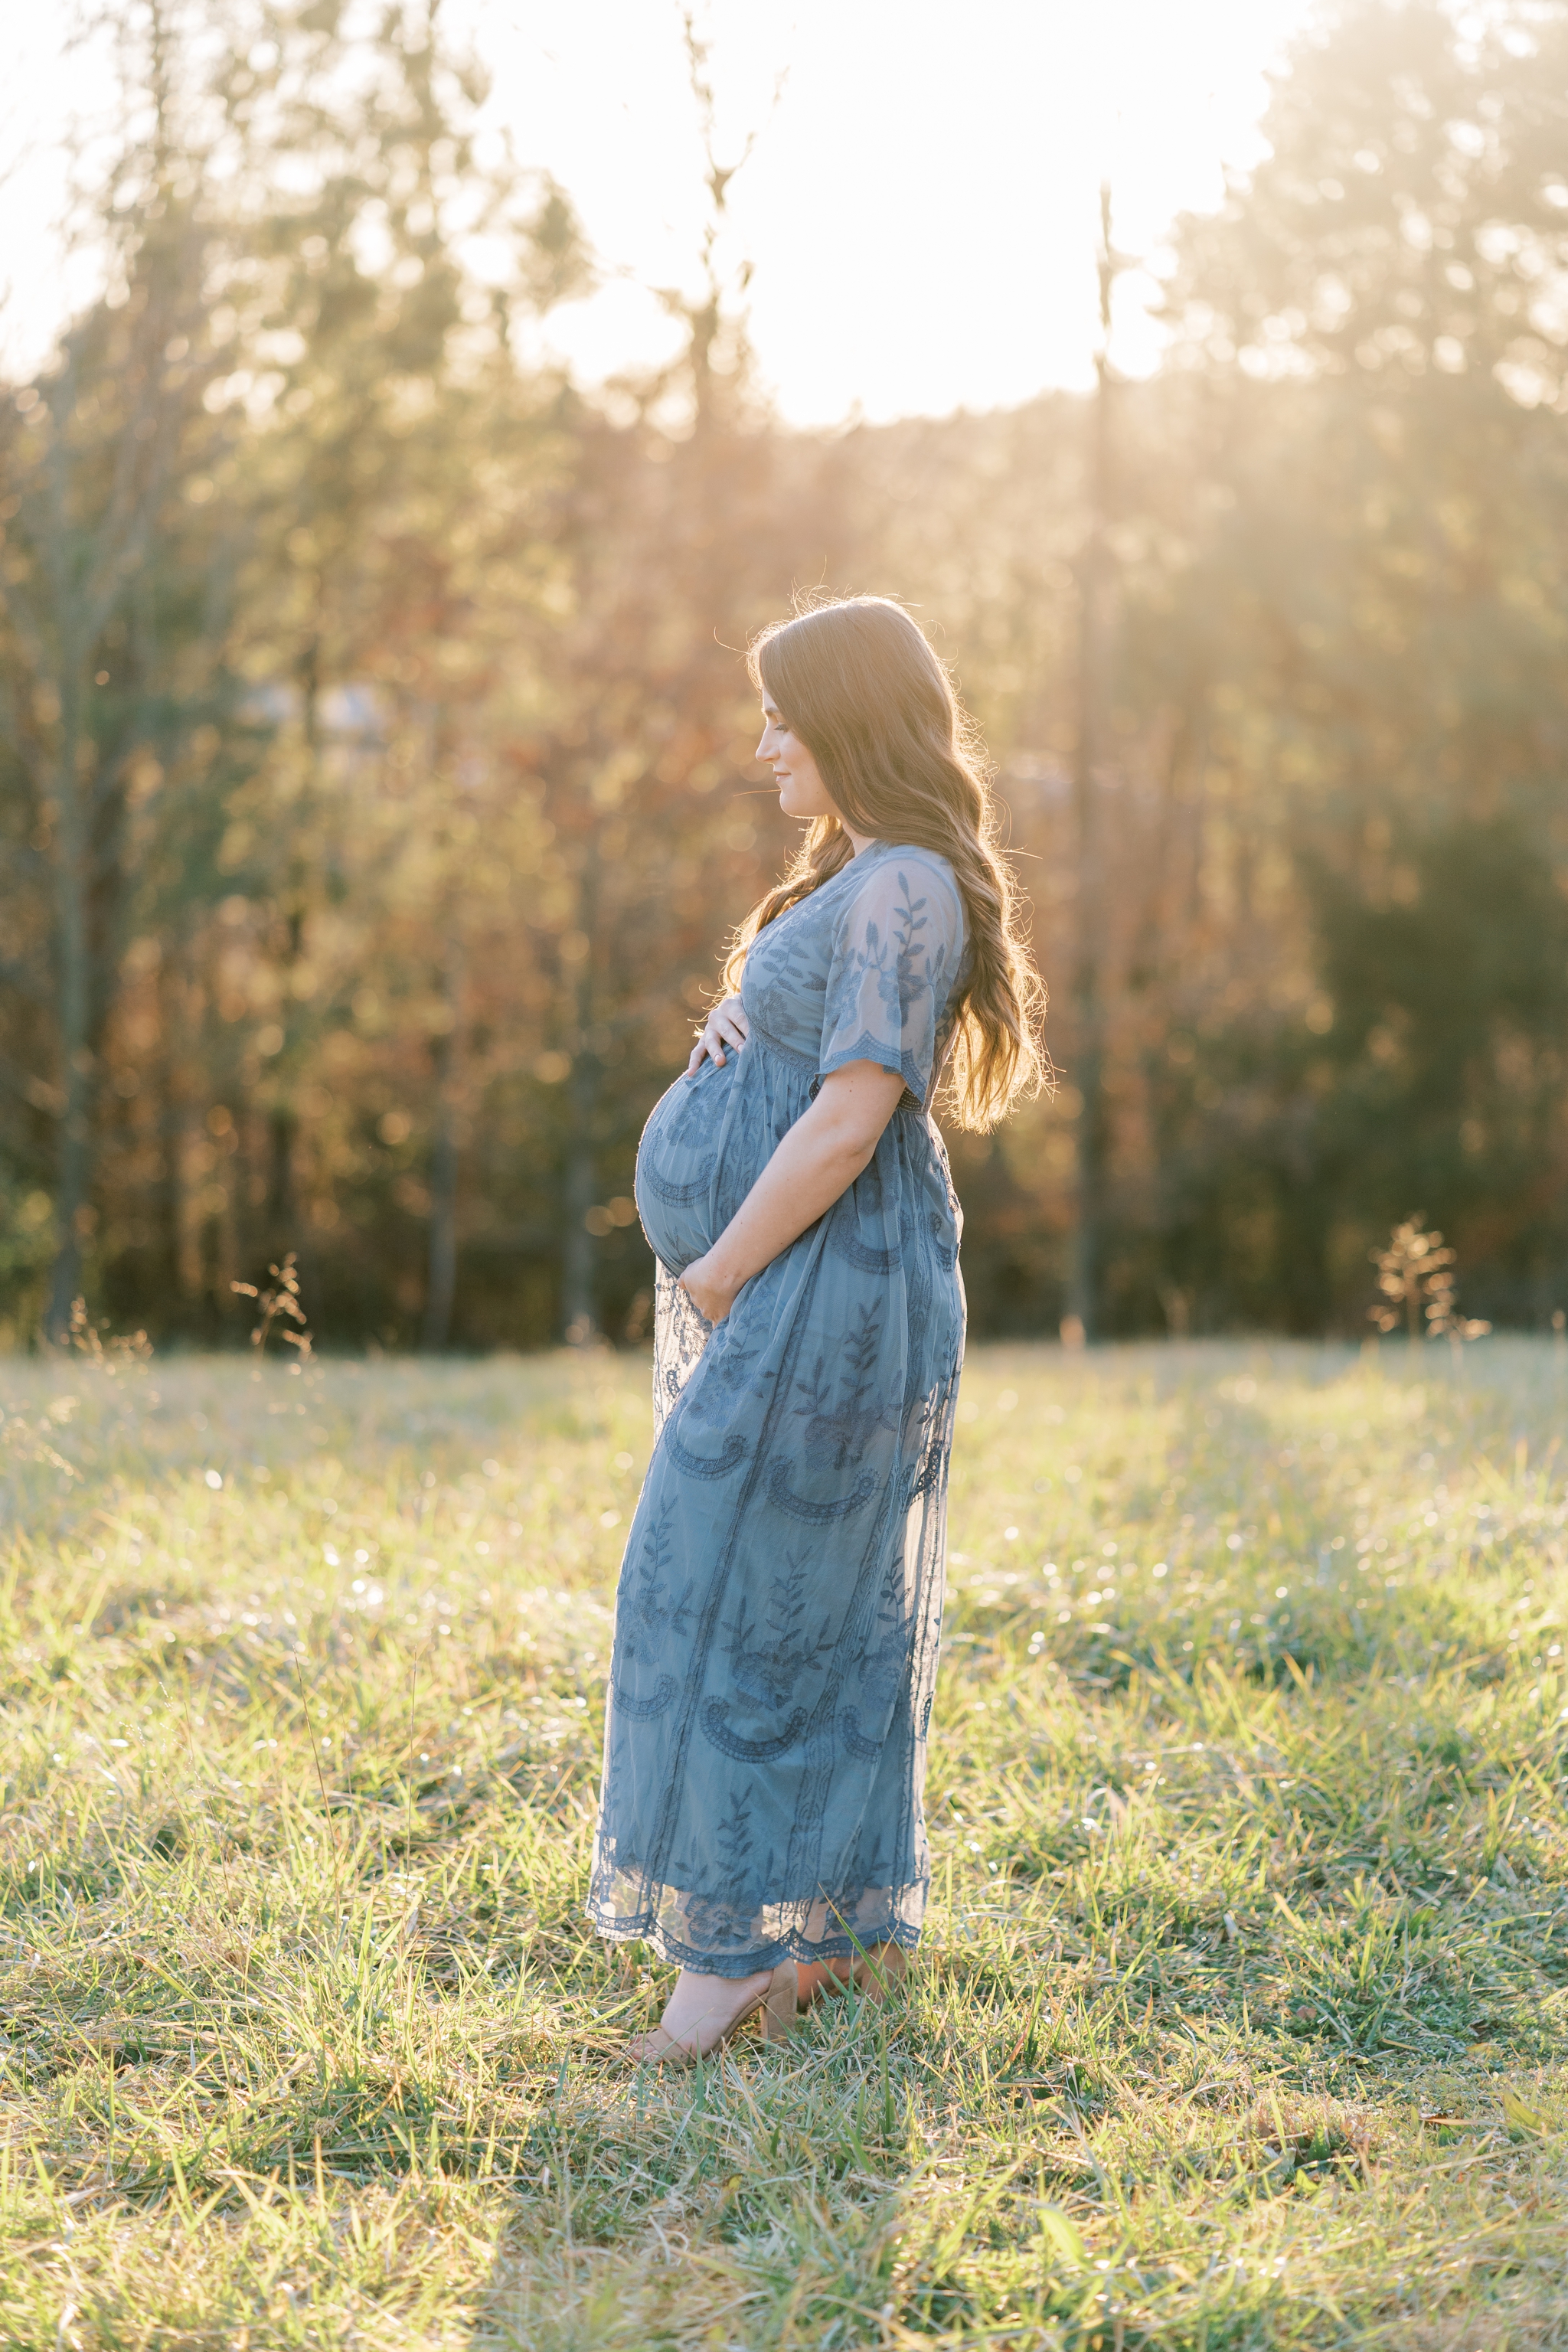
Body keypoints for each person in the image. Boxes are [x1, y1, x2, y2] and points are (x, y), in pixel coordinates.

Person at [587, 595, 1047, 2062]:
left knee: (731, 1583)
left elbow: (855, 1116)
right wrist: (733, 1030)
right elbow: (810, 1065)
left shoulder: (908, 882)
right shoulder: (861, 875)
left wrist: (717, 1268)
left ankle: (725, 1968)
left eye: (787, 712)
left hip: (837, 1278)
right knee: (786, 1588)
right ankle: (825, 1942)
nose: (765, 740)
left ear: (850, 717)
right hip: (807, 1265)